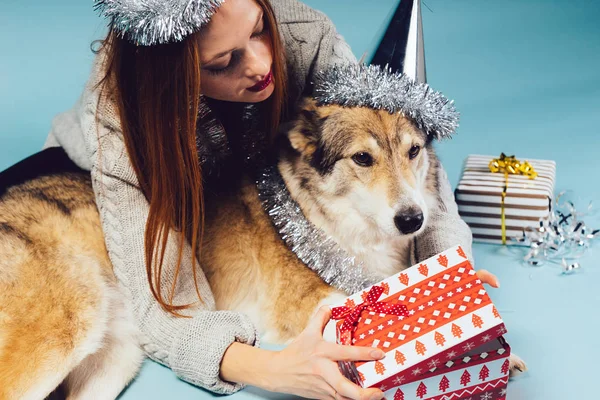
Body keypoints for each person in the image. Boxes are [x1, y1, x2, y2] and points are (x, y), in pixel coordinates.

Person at [43, 0, 498, 398]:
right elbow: (160, 303)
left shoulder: (305, 34)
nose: (262, 64)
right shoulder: (119, 123)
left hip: (248, 183)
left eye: (259, 27)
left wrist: (446, 285)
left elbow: (405, 143)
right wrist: (273, 370)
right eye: (224, 61)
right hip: (98, 183)